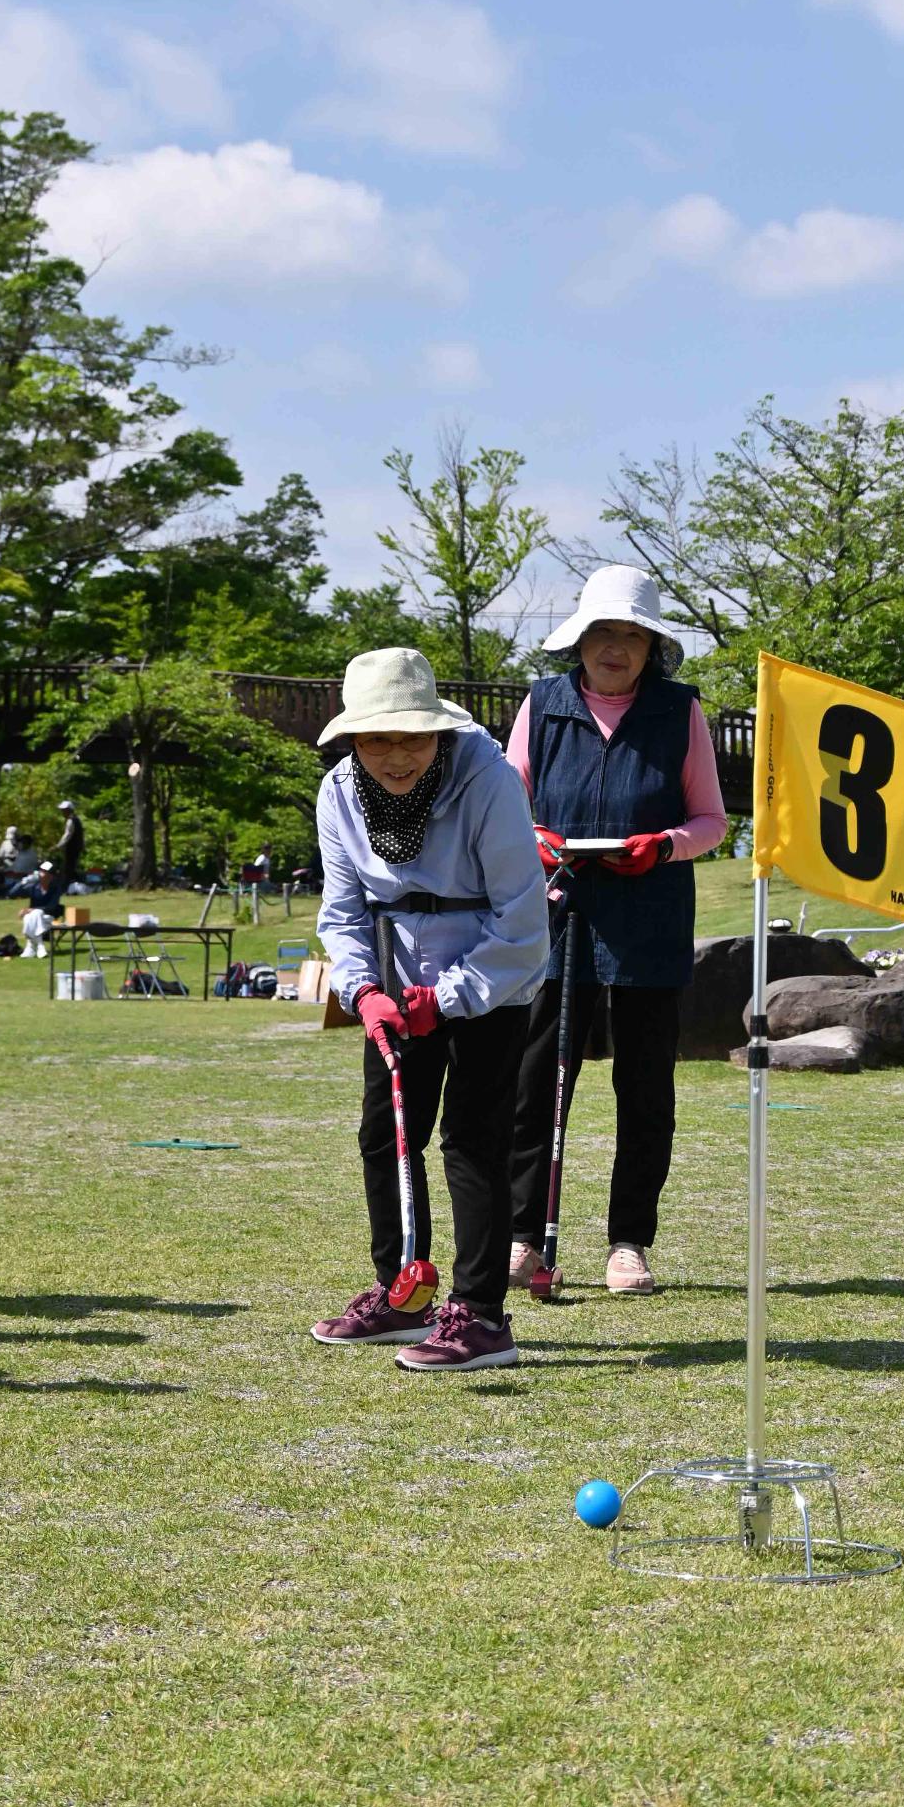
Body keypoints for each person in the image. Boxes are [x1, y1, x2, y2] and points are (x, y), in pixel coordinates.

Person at [309, 647, 549, 1372]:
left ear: (439, 733)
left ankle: (481, 1316)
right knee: (386, 1136)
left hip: (491, 982)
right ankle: (402, 1292)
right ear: (352, 738)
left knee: (472, 1141)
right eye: (377, 737)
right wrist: (363, 990)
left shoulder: (488, 778)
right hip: (395, 984)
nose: (396, 754)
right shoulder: (339, 793)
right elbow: (343, 911)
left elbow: (522, 921)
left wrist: (444, 999)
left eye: (411, 736)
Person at [504, 564, 727, 1297]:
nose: (616, 647)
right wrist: (531, 838)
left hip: (650, 916)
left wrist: (662, 846)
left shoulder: (680, 711)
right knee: (536, 1083)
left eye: (632, 635)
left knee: (645, 1089)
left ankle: (629, 1243)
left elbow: (709, 822)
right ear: (580, 641)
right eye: (604, 632)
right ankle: (523, 1236)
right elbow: (511, 803)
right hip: (555, 913)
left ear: (650, 646)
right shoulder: (542, 705)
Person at [18, 859, 63, 956]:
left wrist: (32, 910)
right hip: (36, 918)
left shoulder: (56, 888)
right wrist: (22, 882)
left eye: (44, 871)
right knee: (28, 916)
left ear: (50, 876)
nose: (41, 873)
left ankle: (31, 946)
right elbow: (13, 894)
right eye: (41, 871)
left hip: (49, 917)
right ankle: (39, 946)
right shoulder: (34, 887)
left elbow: (52, 907)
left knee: (36, 913)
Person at [53, 801, 85, 886]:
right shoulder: (76, 819)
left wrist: (58, 846)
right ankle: (73, 884)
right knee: (71, 867)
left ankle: (68, 885)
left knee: (68, 868)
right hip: (76, 848)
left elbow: (67, 835)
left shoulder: (71, 820)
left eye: (64, 810)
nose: (62, 812)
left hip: (71, 848)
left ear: (69, 810)